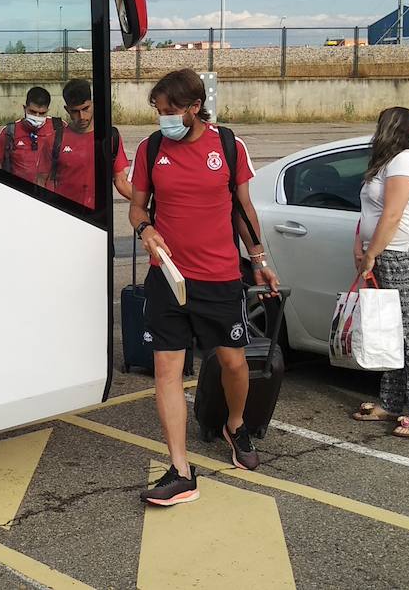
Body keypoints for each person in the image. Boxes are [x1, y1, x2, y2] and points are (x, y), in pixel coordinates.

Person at [129, 69, 280, 506]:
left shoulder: (228, 146)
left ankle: (235, 425)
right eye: (158, 111)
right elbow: (138, 208)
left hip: (219, 278)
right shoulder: (151, 148)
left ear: (194, 108)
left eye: (170, 111)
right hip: (169, 279)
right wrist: (147, 231)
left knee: (234, 364)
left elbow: (243, 208)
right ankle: (179, 470)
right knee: (167, 371)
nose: (163, 120)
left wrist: (260, 261)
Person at [350, 107, 409, 438]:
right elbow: (369, 211)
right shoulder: (385, 164)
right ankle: (390, 403)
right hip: (385, 254)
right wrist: (359, 244)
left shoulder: (406, 161)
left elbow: (392, 216)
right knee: (389, 332)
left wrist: (371, 253)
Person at [53, 78, 133, 208]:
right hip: (65, 215)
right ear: (67, 110)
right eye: (75, 111)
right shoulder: (56, 138)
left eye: (86, 108)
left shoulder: (110, 137)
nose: (82, 116)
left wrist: (147, 205)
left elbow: (121, 181)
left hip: (98, 219)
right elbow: (42, 180)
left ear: (93, 104)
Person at [0, 86, 60, 186]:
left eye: (42, 113)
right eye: (32, 112)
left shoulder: (59, 129)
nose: (37, 117)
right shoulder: (9, 132)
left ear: (47, 111)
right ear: (25, 108)